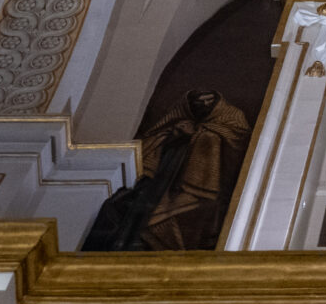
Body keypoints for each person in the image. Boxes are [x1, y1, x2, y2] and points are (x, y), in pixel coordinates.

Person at [91, 91, 255, 251]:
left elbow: (237, 140)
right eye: (199, 102)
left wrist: (199, 134)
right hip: (165, 176)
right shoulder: (179, 121)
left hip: (199, 187)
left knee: (209, 138)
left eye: (209, 101)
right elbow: (154, 140)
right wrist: (176, 134)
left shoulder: (231, 118)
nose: (204, 105)